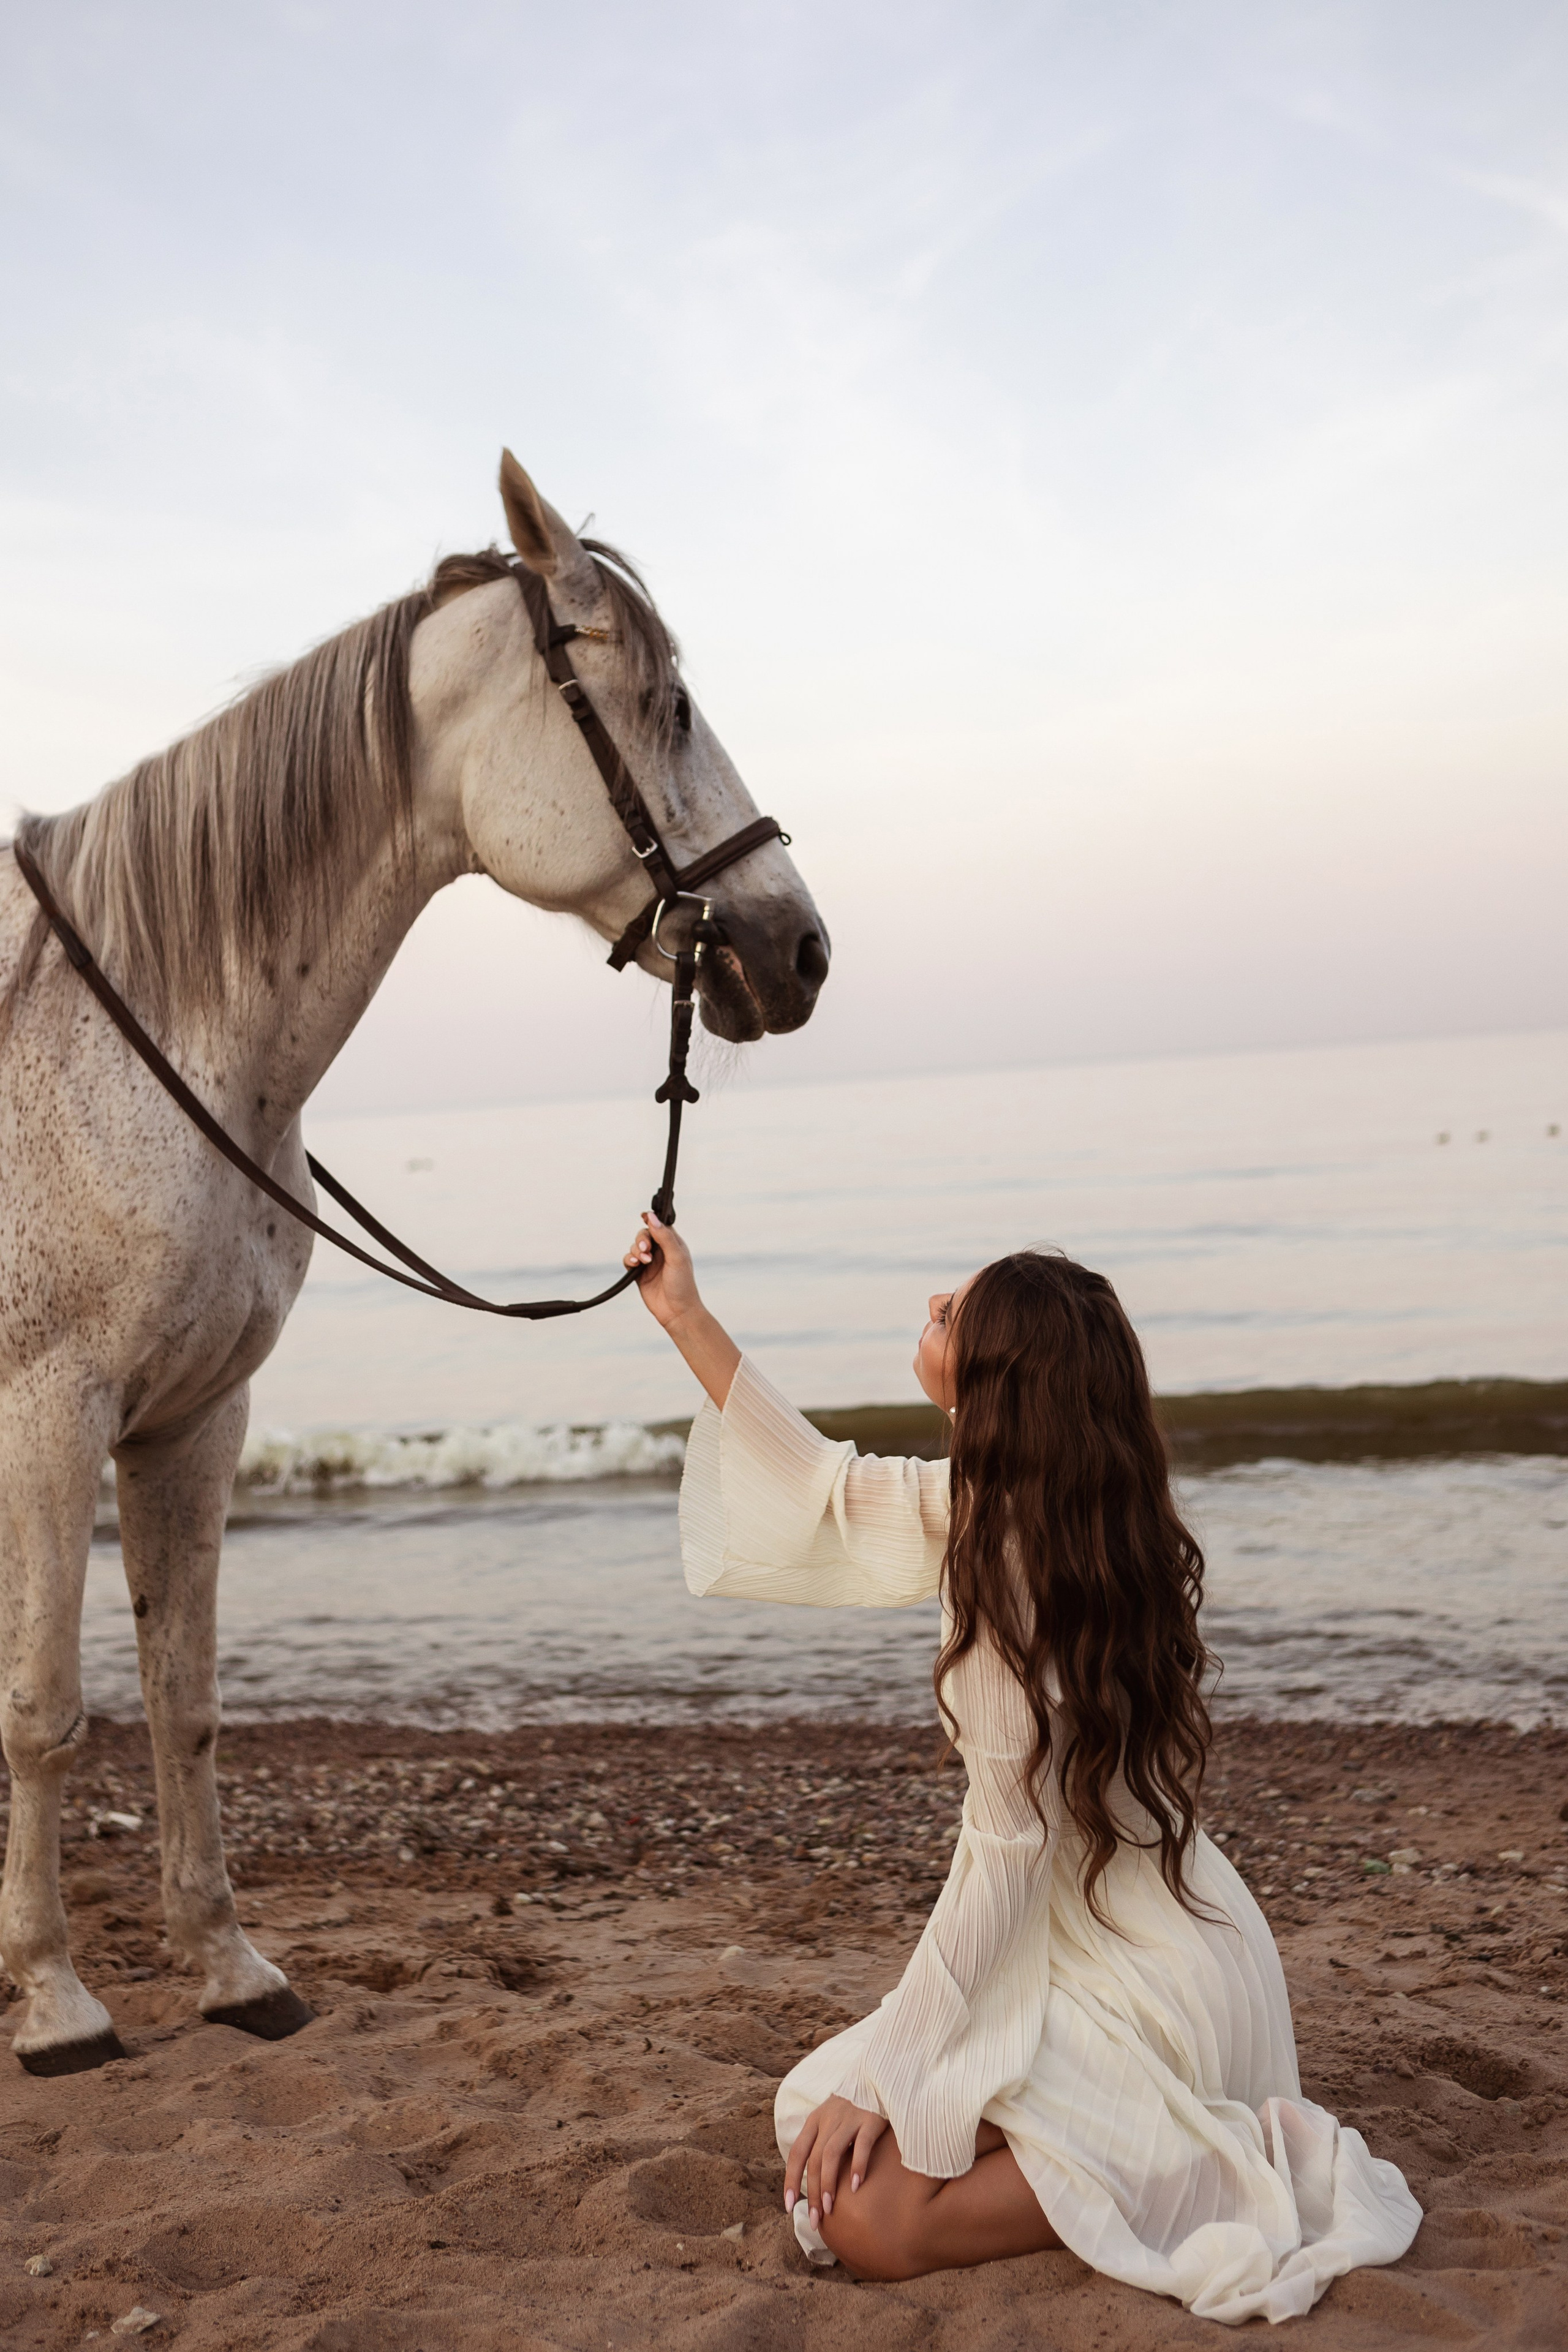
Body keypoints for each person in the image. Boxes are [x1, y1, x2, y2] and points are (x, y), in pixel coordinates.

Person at [623, 1210, 1421, 2327]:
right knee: (829, 2125)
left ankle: (1199, 2158)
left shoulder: (1003, 1569)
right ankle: (1140, 2133)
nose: (930, 1312)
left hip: (1134, 1967)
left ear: (991, 1380)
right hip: (1179, 1935)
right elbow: (821, 1479)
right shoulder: (1048, 1511)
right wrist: (683, 1314)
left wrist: (884, 2074)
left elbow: (1003, 1856)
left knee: (863, 2213)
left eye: (951, 1312)